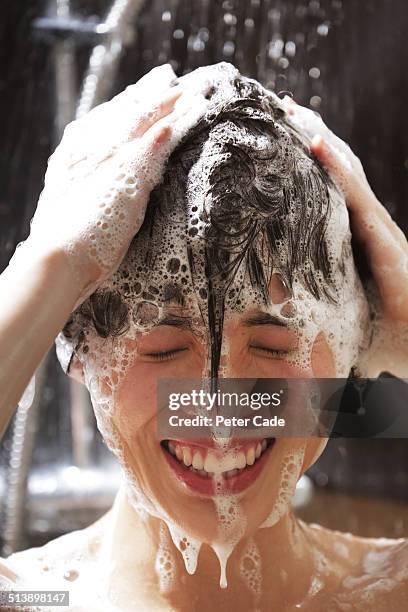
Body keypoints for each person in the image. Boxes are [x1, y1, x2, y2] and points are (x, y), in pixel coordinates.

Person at [0, 62, 407, 611]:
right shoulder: (38, 600)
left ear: (351, 341)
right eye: (163, 348)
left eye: (272, 344)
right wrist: (57, 267)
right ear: (81, 352)